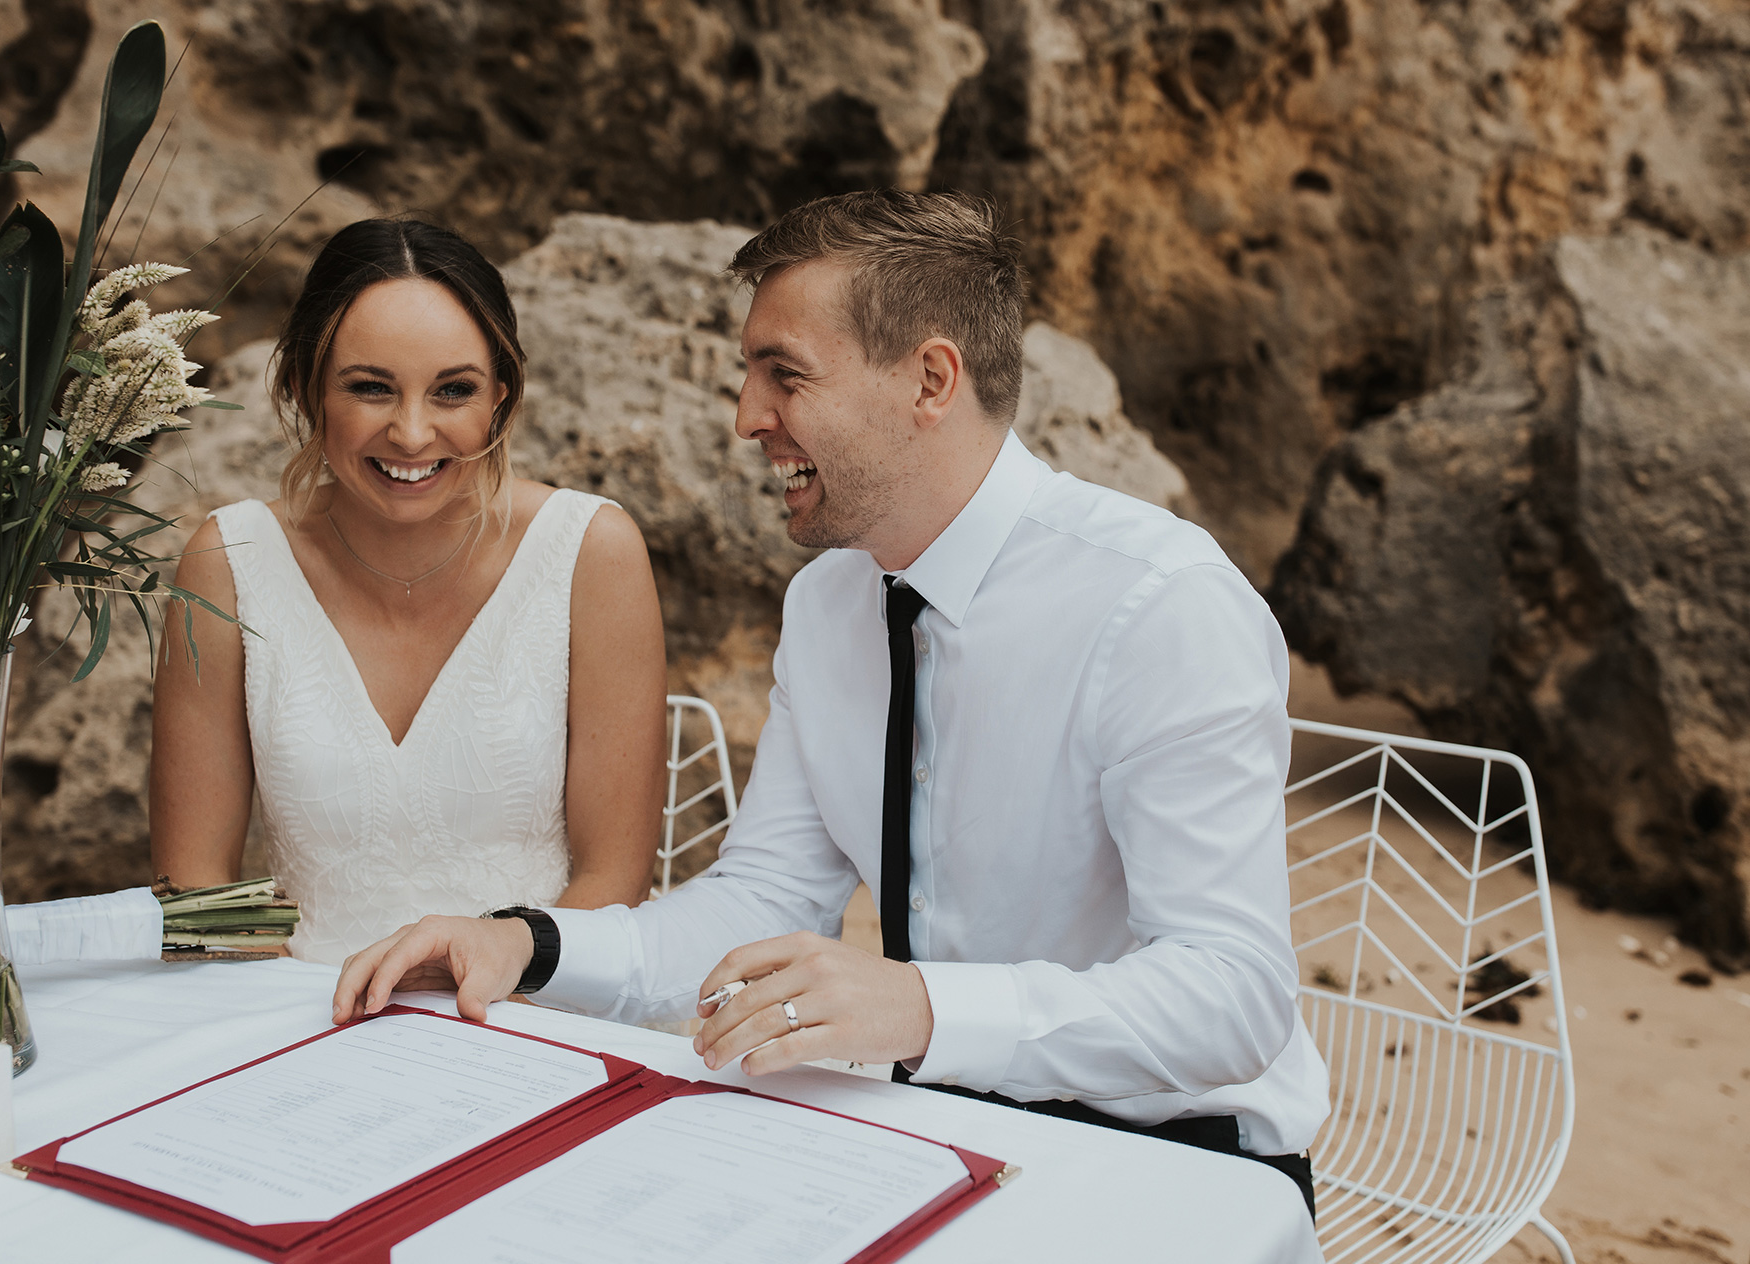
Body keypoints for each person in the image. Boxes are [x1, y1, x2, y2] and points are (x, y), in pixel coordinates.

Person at [331, 191, 1329, 1211]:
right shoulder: (825, 606)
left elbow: (1231, 991)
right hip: (943, 1131)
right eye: (748, 374)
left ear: (928, 380)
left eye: (784, 374)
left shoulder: (1159, 602)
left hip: (1183, 1161)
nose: (746, 418)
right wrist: (523, 942)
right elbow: (761, 897)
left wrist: (917, 1007)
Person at [151, 218, 667, 965]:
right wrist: (283, 1026)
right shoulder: (228, 562)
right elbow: (195, 892)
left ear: (501, 396)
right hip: (300, 1024)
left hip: (534, 1019)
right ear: (304, 388)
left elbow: (613, 883)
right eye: (371, 388)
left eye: (453, 390)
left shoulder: (591, 551)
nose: (414, 433)